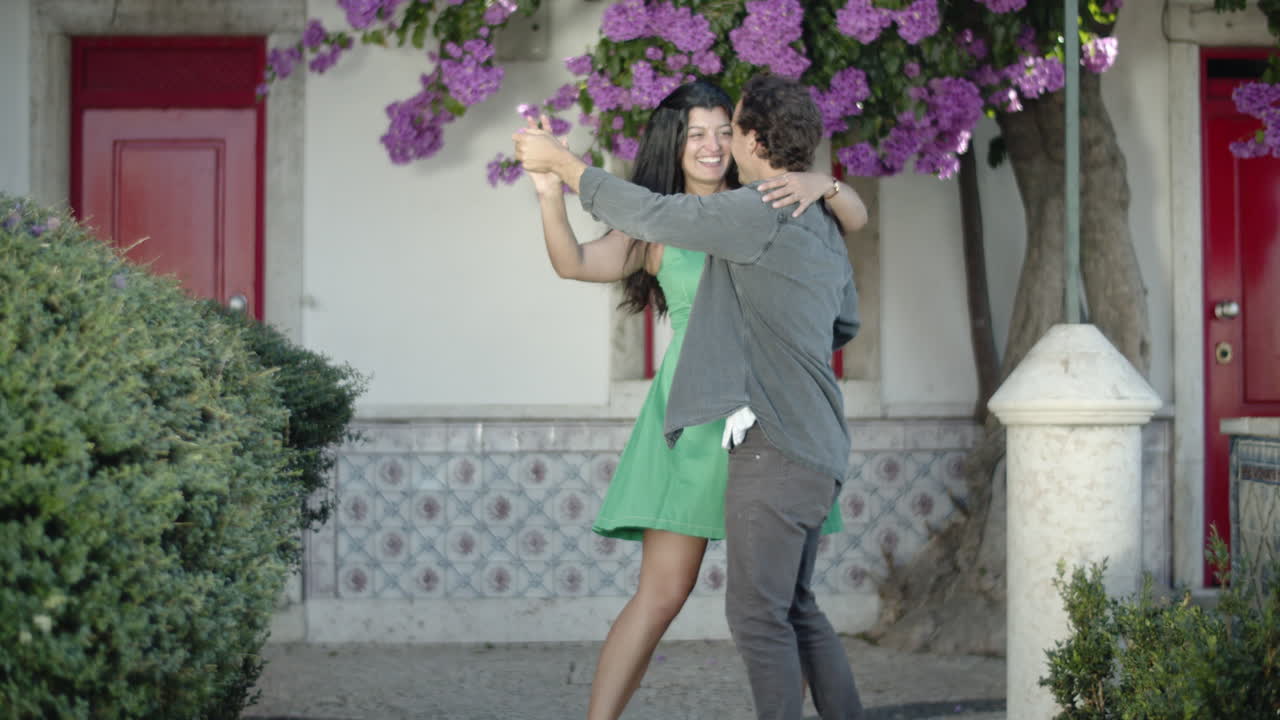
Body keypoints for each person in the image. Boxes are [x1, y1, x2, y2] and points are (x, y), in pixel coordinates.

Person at [515, 74, 866, 720]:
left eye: (723, 132)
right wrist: (548, 193)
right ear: (673, 143)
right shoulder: (656, 221)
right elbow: (573, 263)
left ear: (744, 140)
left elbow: (851, 223)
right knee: (664, 594)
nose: (711, 145)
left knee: (784, 606)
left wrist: (824, 182)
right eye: (696, 134)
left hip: (770, 422)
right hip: (695, 422)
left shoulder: (766, 202)